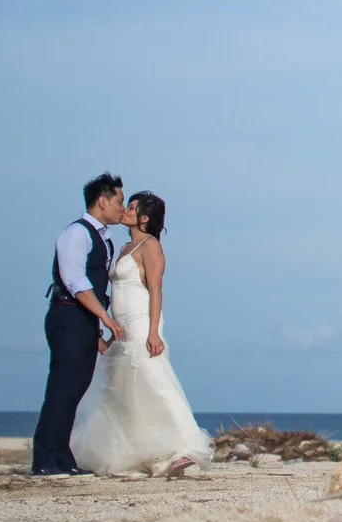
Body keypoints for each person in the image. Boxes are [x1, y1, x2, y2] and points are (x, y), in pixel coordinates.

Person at [70, 190, 210, 475]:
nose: (125, 211)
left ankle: (185, 447)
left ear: (144, 218)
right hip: (121, 329)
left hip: (143, 323)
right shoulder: (122, 248)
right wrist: (108, 332)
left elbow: (156, 290)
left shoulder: (150, 245)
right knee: (126, 392)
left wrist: (153, 332)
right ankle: (147, 453)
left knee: (155, 382)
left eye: (131, 208)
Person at [31, 174, 126, 476]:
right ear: (103, 200)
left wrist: (97, 330)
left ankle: (62, 456)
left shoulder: (105, 239)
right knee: (61, 387)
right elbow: (77, 282)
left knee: (75, 389)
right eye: (120, 201)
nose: (122, 208)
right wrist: (107, 319)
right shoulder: (77, 233)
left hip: (84, 321)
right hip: (67, 315)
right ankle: (44, 459)